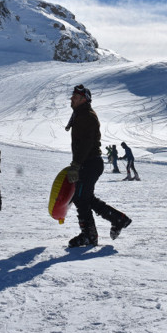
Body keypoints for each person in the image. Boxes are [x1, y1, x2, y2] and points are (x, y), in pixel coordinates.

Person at [64, 84, 131, 247]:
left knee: (81, 199)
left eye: (75, 97)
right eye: (72, 96)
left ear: (84, 99)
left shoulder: (86, 116)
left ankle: (89, 235)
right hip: (89, 163)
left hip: (89, 163)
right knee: (86, 198)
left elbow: (86, 144)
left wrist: (76, 165)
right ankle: (118, 219)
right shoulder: (80, 114)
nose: (72, 99)